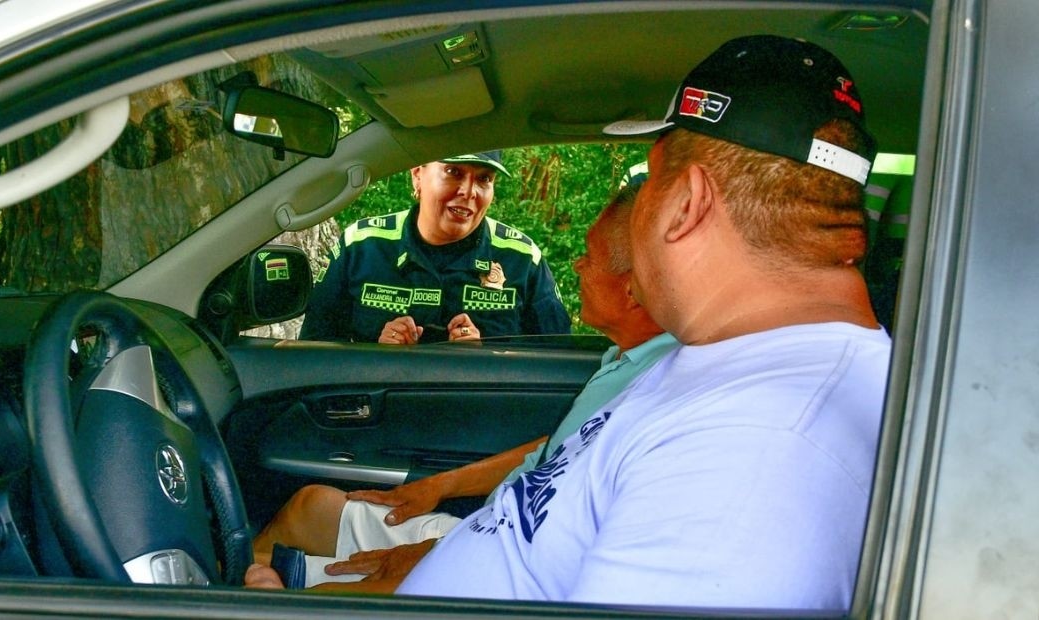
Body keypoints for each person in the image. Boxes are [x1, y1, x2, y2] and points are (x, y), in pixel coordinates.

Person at [387, 34, 890, 610]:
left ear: (688, 202)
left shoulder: (758, 452)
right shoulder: (723, 358)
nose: (637, 208)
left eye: (648, 181)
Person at [246, 185, 679, 590]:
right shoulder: (623, 360)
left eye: (590, 257)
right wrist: (438, 486)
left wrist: (435, 555)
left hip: (507, 562)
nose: (578, 265)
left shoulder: (659, 385)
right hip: (490, 528)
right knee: (309, 508)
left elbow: (565, 542)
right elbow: (555, 451)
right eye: (453, 172)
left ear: (632, 291)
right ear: (418, 179)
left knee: (274, 589)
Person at [299, 151, 570, 344]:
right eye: (454, 172)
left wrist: (488, 358)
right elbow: (314, 352)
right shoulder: (362, 245)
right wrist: (375, 355)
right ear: (418, 176)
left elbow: (555, 363)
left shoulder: (521, 258)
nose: (469, 191)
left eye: (484, 179)